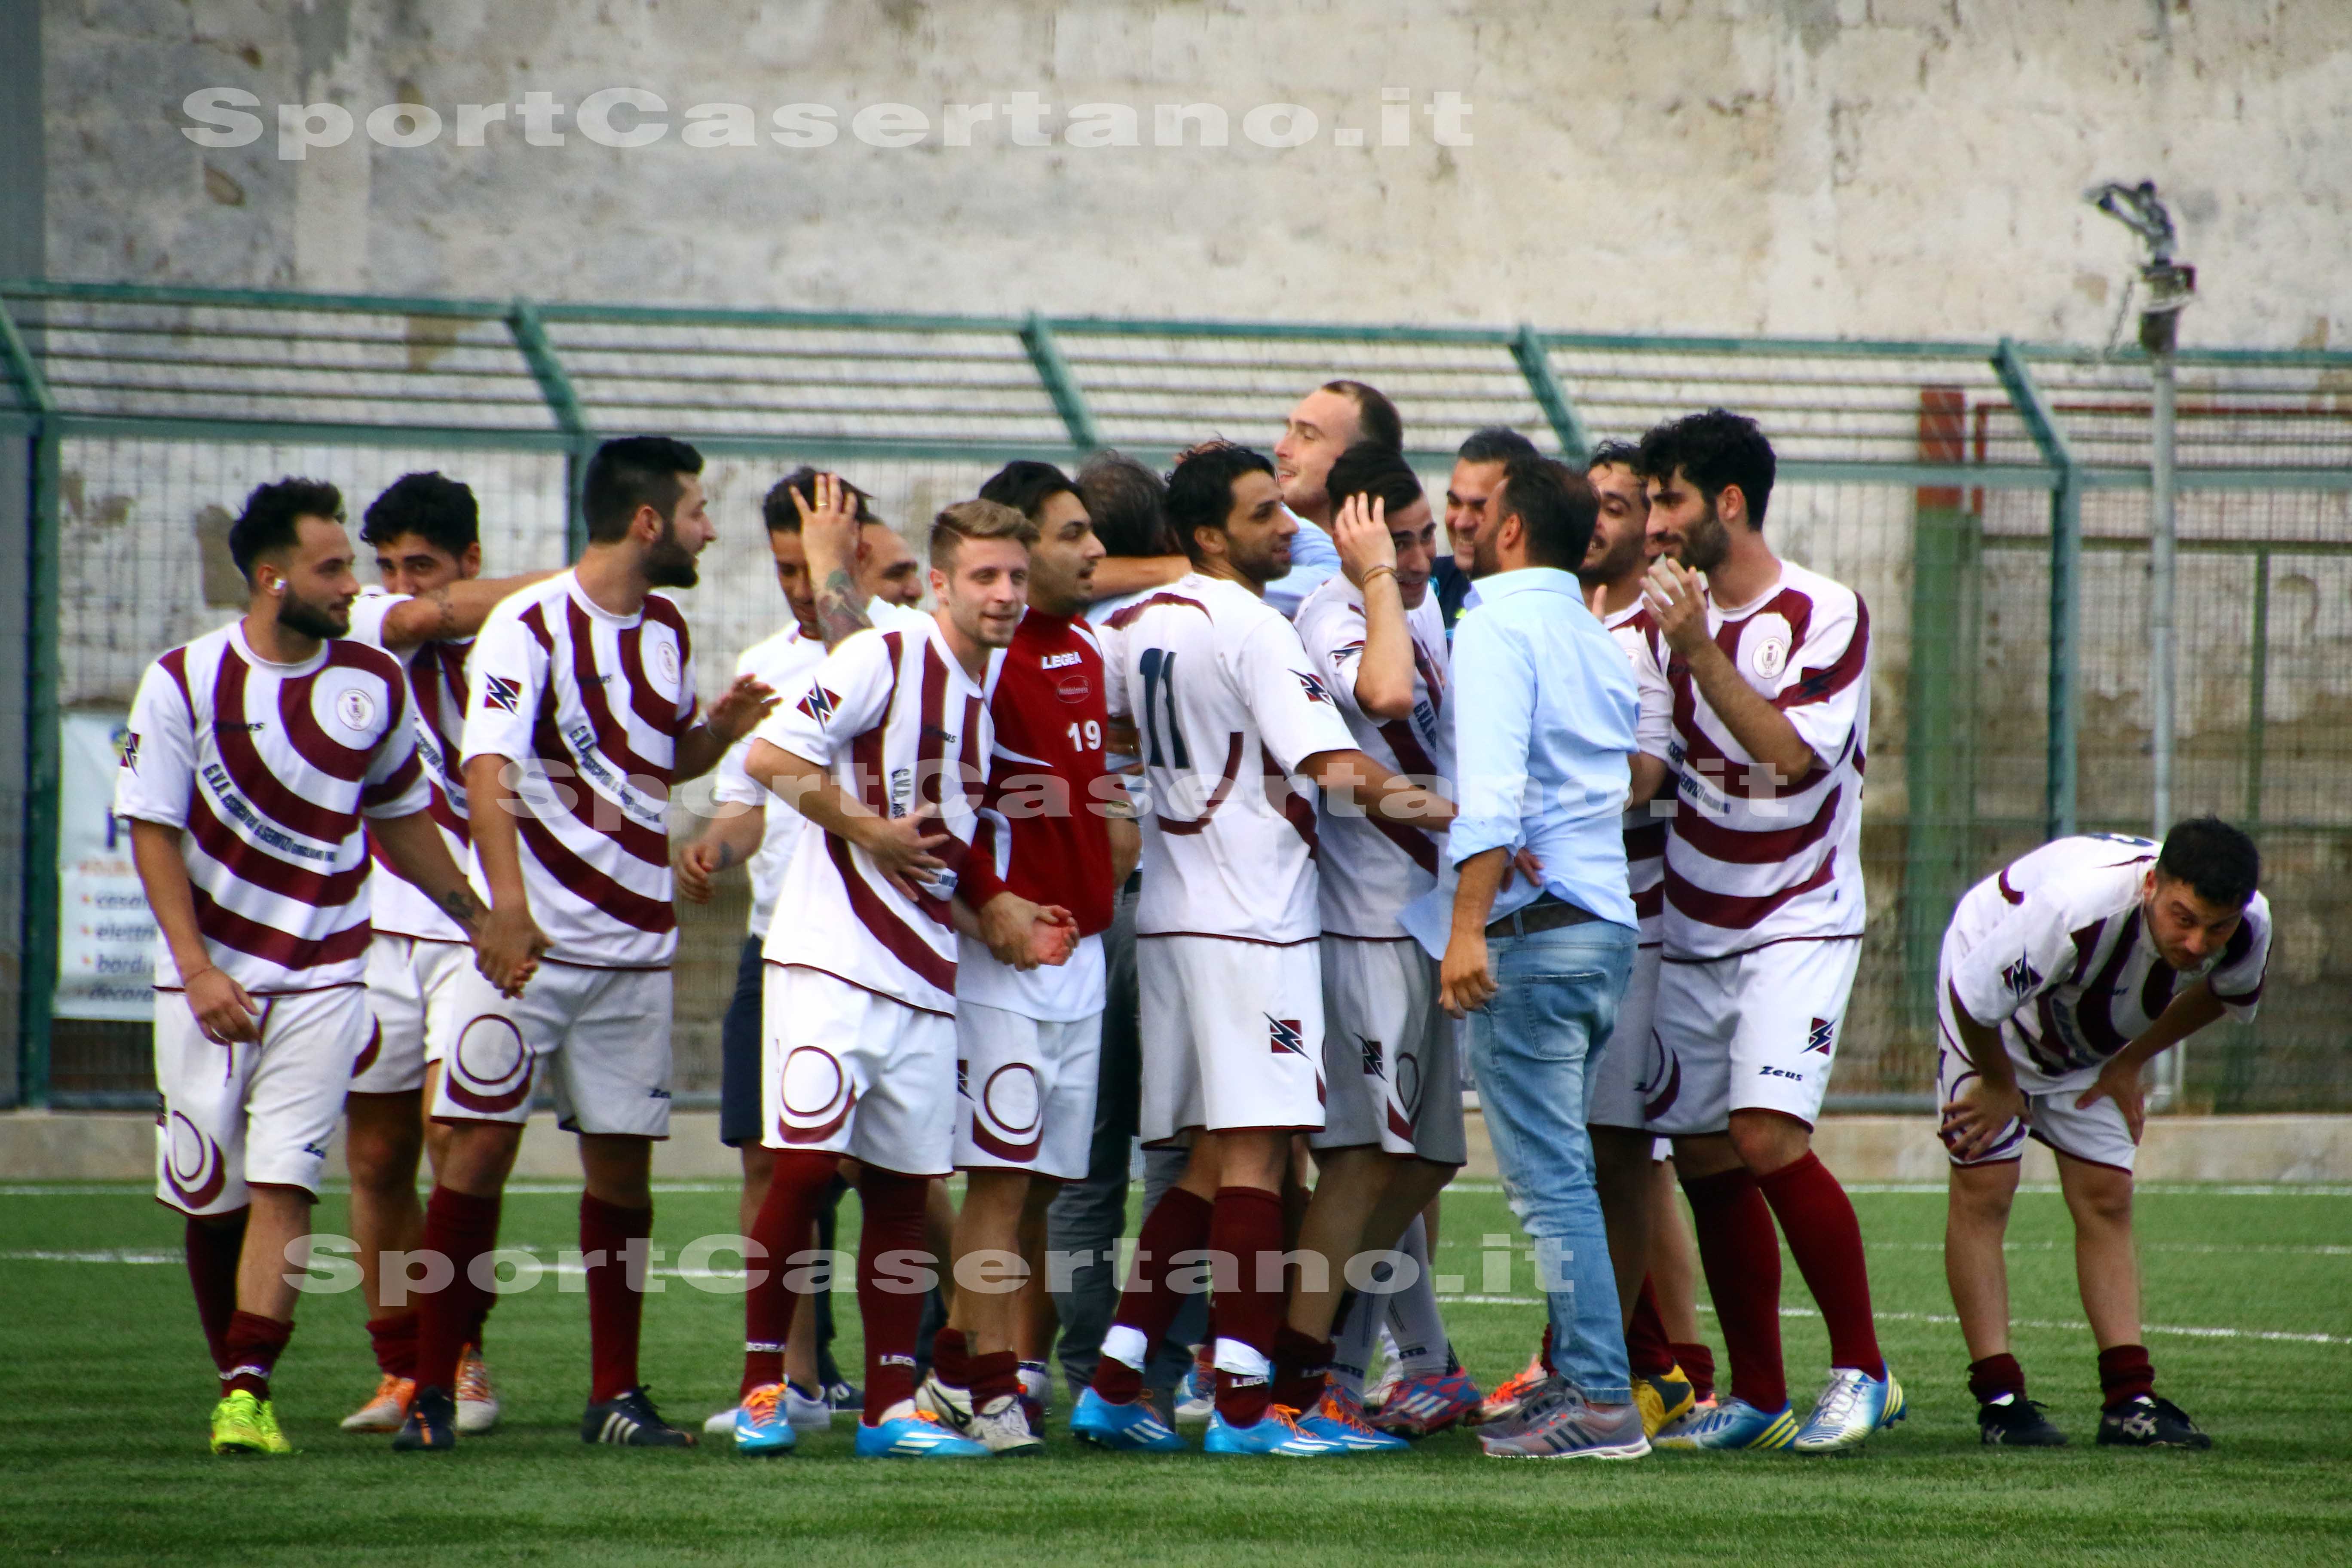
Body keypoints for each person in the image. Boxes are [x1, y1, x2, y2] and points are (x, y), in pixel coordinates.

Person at [1069, 441, 1454, 1459]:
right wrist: (1459, 817)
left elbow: (1109, 741)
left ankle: (1113, 1383)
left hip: (1170, 915)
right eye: (1262, 515)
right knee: (1251, 1157)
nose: (1288, 528)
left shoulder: (1134, 625)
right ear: (1207, 535)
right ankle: (1246, 1409)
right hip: (1253, 921)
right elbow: (1333, 764)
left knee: (1207, 1161)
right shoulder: (1252, 626)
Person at [396, 436, 776, 1452]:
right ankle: (430, 1391)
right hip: (529, 950)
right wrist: (506, 910)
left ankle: (614, 1396)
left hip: (635, 949)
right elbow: (488, 771)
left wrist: (721, 730)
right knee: (477, 1153)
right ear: (648, 521)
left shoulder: (664, 628)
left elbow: (659, 761)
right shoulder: (527, 625)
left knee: (622, 1177)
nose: (708, 529)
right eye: (696, 510)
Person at [118, 477, 482, 1455]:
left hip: (328, 972)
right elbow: (151, 831)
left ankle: (247, 1391)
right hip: (206, 982)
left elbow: (401, 818)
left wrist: (477, 916)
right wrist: (197, 969)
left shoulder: (372, 682)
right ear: (273, 578)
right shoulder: (184, 679)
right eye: (334, 568)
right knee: (212, 1199)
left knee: (287, 1181)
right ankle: (234, 1375)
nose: (353, 585)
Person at [735, 498, 1075, 1460]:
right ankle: (763, 1386)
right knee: (805, 1167)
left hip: (924, 974)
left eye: (1016, 577)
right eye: (984, 576)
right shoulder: (882, 656)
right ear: (939, 584)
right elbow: (769, 754)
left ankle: (889, 1406)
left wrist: (1001, 914)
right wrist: (869, 831)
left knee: (900, 1187)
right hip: (829, 959)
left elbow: (938, 858)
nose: (1004, 594)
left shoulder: (977, 697)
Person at [1634, 409, 1900, 1454]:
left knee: (1765, 1136)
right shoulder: (1655, 621)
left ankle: (1864, 1370)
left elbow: (1789, 757)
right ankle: (1755, 1397)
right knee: (1705, 1153)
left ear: (1729, 504)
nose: (1655, 523)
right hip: (1693, 918)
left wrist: (1698, 650)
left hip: (1798, 915)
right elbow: (1647, 770)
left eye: (1670, 501)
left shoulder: (1823, 611)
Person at [1412, 454, 1647, 1462]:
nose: (1465, 525)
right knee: (1566, 1173)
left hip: (1536, 933)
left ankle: (1599, 1399)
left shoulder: (1496, 624)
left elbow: (1494, 793)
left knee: (1550, 1182)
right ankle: (1579, 1382)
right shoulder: (1595, 633)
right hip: (1600, 926)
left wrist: (1465, 928)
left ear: (1512, 531)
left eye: (1482, 513)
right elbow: (1612, 778)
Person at [681, 469, 915, 1439]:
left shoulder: (905, 643)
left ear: (854, 551)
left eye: (806, 563)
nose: (796, 586)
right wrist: (716, 845)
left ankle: (942, 1360)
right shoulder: (768, 661)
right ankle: (797, 1378)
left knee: (897, 1176)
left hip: (890, 954)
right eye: (781, 568)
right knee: (772, 1166)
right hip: (778, 949)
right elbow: (750, 806)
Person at [913, 462, 1139, 1453]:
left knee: (1045, 1182)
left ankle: (960, 1371)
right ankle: (986, 1385)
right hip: (1004, 961)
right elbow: (932, 802)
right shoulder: (976, 663)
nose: (1094, 551)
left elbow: (1094, 777)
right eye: (1071, 534)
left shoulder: (1084, 646)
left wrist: (1115, 831)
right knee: (1002, 1179)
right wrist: (990, 908)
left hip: (1081, 952)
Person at [1938, 819, 2269, 1449]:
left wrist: (2129, 1062)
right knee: (1986, 1188)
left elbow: (2226, 992)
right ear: (2152, 886)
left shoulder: (2252, 923)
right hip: (1992, 1008)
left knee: (2107, 1197)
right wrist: (2000, 1084)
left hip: (2091, 1025)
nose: (2197, 943)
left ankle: (2128, 1401)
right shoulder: (2073, 910)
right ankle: (2001, 1402)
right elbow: (1975, 996)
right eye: (2183, 919)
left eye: (2216, 929)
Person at [336, 472, 551, 1437]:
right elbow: (424, 617)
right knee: (377, 1153)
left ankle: (455, 1356)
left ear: (470, 559)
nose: (396, 583)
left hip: (475, 921)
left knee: (450, 1136)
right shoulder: (370, 619)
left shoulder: (525, 639)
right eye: (384, 565)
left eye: (419, 564)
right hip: (375, 917)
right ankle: (397, 1365)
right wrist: (579, 580)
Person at [1285, 444, 1471, 1448]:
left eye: (1424, 535)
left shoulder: (1421, 601)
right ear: (1352, 538)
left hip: (1425, 920)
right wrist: (1374, 580)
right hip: (1359, 925)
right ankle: (1303, 1375)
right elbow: (1388, 701)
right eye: (1397, 540)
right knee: (1364, 1164)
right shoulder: (1331, 614)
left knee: (1427, 1159)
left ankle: (1354, 1371)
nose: (1418, 555)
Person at [1041, 452, 1202, 1413]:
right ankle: (1166, 1368)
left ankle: (1080, 1368)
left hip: (1083, 911)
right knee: (1182, 1157)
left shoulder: (1060, 636)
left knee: (1080, 1163)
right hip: (1182, 911)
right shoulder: (1201, 614)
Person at [1568, 440, 1700, 1439]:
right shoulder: (1541, 614)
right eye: (1594, 503)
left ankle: (1610, 1369)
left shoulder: (1652, 630)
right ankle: (1649, 1362)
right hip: (1549, 912)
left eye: (1621, 505)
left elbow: (1642, 780)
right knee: (1600, 1153)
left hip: (1635, 918)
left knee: (1622, 1150)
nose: (1604, 521)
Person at [1083, 380, 1398, 621]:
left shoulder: (1409, 573)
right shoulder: (1231, 585)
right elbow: (1332, 575)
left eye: (1307, 436)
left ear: (1363, 462)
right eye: (1263, 513)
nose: (1281, 448)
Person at [1440, 427, 1541, 635]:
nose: (1461, 523)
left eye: (1481, 508)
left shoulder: (1545, 605)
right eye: (1455, 503)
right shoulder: (1425, 586)